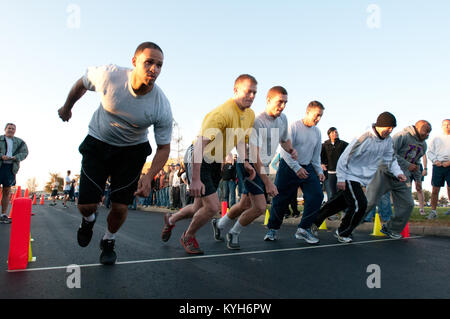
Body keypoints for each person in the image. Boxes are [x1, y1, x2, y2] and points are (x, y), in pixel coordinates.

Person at [58, 41, 173, 265]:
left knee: (120, 207)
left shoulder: (161, 104)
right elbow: (80, 85)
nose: (154, 69)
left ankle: (109, 239)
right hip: (98, 142)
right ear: (134, 62)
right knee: (86, 206)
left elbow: (164, 147)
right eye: (149, 62)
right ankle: (89, 221)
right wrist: (67, 107)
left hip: (131, 152)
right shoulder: (110, 76)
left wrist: (149, 176)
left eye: (159, 65)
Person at [161, 74, 258, 254]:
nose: (251, 96)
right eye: (247, 92)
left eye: (254, 93)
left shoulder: (250, 114)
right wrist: (195, 179)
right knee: (212, 207)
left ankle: (171, 220)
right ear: (236, 90)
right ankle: (188, 236)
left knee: (199, 207)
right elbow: (199, 146)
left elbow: (240, 141)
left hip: (215, 161)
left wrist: (245, 162)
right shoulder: (222, 113)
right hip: (199, 156)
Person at [211, 86, 296, 249]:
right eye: (279, 102)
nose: (282, 106)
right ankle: (233, 233)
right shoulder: (257, 121)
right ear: (268, 100)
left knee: (244, 205)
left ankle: (220, 224)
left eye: (285, 103)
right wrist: (268, 182)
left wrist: (291, 149)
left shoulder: (283, 119)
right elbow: (255, 156)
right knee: (260, 207)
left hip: (261, 165)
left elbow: (284, 140)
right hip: (249, 164)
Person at [313, 112, 407, 243]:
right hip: (349, 174)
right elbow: (346, 156)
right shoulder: (365, 137)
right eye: (387, 128)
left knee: (338, 203)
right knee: (360, 204)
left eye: (392, 129)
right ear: (379, 126)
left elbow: (390, 159)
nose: (389, 131)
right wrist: (341, 178)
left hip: (362, 178)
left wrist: (398, 173)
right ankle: (343, 232)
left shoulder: (388, 141)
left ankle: (313, 221)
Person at [264, 101, 325, 244]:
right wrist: (297, 168)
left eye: (321, 116)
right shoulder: (294, 127)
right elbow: (284, 151)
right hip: (289, 167)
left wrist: (319, 170)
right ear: (308, 112)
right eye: (316, 115)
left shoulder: (317, 132)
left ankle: (303, 229)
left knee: (317, 195)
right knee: (280, 199)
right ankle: (272, 229)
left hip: (307, 166)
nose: (318, 119)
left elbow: (316, 156)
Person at [364, 120, 431, 238]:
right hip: (385, 172)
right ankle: (348, 224)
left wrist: (418, 180)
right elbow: (389, 153)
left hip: (402, 177)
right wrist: (406, 164)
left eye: (429, 133)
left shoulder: (423, 145)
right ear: (418, 128)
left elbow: (416, 162)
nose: (428, 135)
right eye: (426, 132)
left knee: (408, 204)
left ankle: (391, 228)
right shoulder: (402, 136)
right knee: (370, 202)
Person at [0, 123, 29, 224]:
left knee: (6, 191)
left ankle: (3, 215)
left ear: (15, 131)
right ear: (5, 129)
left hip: (10, 168)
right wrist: (1, 156)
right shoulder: (0, 139)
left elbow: (25, 152)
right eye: (9, 128)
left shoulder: (20, 142)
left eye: (13, 129)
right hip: (0, 165)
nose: (11, 130)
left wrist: (16, 157)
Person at [427, 119, 450, 218]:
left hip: (449, 165)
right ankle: (433, 211)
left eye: (449, 124)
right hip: (438, 166)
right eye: (445, 125)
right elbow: (430, 152)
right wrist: (435, 161)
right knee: (435, 189)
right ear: (442, 126)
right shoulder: (436, 138)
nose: (447, 126)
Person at [321, 127, 348, 201]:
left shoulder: (343, 144)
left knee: (343, 192)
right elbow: (318, 155)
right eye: (333, 132)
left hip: (342, 172)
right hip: (330, 172)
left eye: (336, 132)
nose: (335, 134)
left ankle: (344, 210)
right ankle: (333, 211)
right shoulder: (325, 145)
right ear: (329, 134)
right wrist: (322, 163)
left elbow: (351, 152)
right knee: (332, 193)